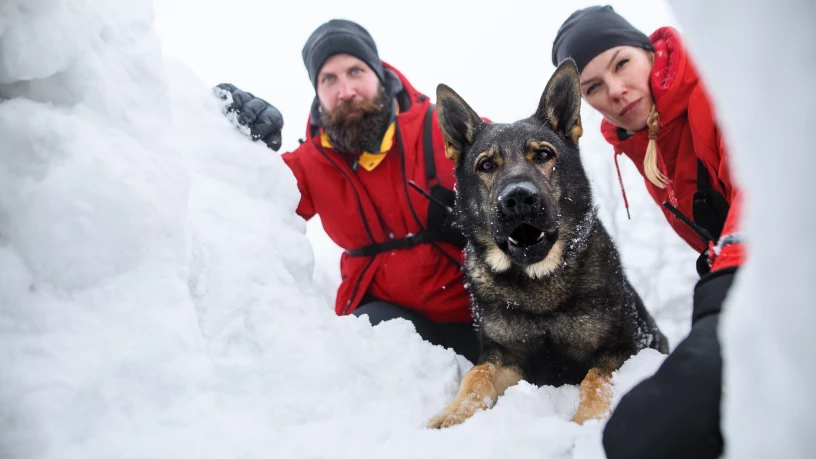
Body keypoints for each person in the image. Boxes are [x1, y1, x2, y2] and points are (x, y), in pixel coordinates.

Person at [215, 19, 479, 364]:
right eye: (329, 79)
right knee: (363, 350)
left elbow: (513, 162)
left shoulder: (441, 130)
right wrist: (228, 129)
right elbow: (243, 194)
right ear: (317, 92)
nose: (346, 90)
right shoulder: (311, 162)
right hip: (389, 322)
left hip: (480, 314)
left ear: (379, 74)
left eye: (355, 71)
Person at [551, 6, 746, 459]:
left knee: (651, 431)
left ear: (648, 51)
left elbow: (762, 188)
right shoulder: (645, 142)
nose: (615, 91)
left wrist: (723, 293)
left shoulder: (716, 90)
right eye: (593, 87)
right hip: (745, 274)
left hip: (776, 265)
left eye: (621, 63)